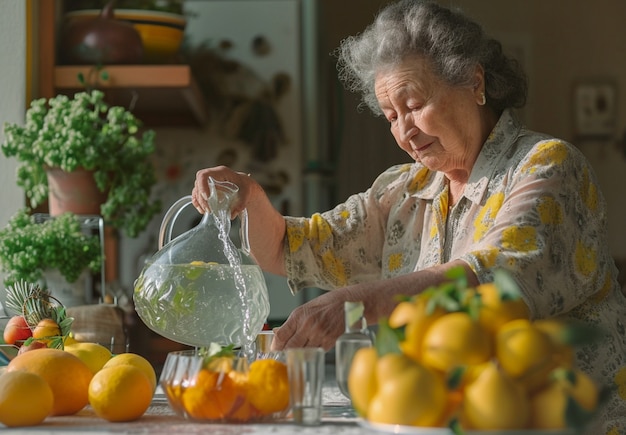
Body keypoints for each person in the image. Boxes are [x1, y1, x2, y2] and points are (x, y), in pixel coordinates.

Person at [192, 0, 626, 431]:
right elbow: (293, 248)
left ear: (474, 81)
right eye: (391, 117)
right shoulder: (403, 190)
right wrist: (250, 195)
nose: (405, 131)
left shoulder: (547, 164)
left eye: (414, 105)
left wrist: (355, 305)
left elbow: (496, 279)